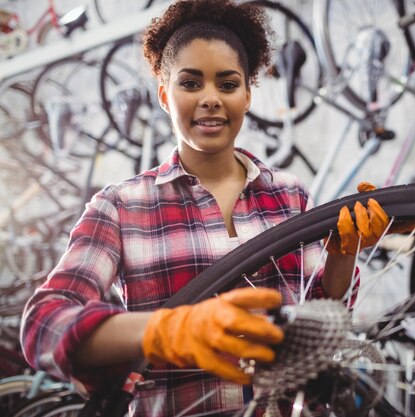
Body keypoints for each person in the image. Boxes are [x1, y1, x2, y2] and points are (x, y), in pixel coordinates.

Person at [20, 0, 392, 416]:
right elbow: (44, 326)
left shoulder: (289, 194)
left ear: (248, 95)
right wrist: (165, 330)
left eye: (228, 84)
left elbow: (319, 320)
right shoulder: (121, 206)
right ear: (164, 94)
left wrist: (344, 252)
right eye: (191, 84)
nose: (211, 98)